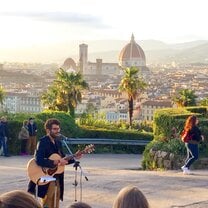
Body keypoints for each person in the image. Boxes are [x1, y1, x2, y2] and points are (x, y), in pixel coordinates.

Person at [27, 118, 82, 208]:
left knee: (56, 203)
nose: (57, 131)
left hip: (56, 178)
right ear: (48, 130)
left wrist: (74, 157)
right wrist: (55, 162)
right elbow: (39, 159)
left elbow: (63, 159)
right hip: (45, 177)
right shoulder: (43, 141)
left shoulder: (58, 142)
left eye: (58, 129)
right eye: (55, 129)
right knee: (47, 204)